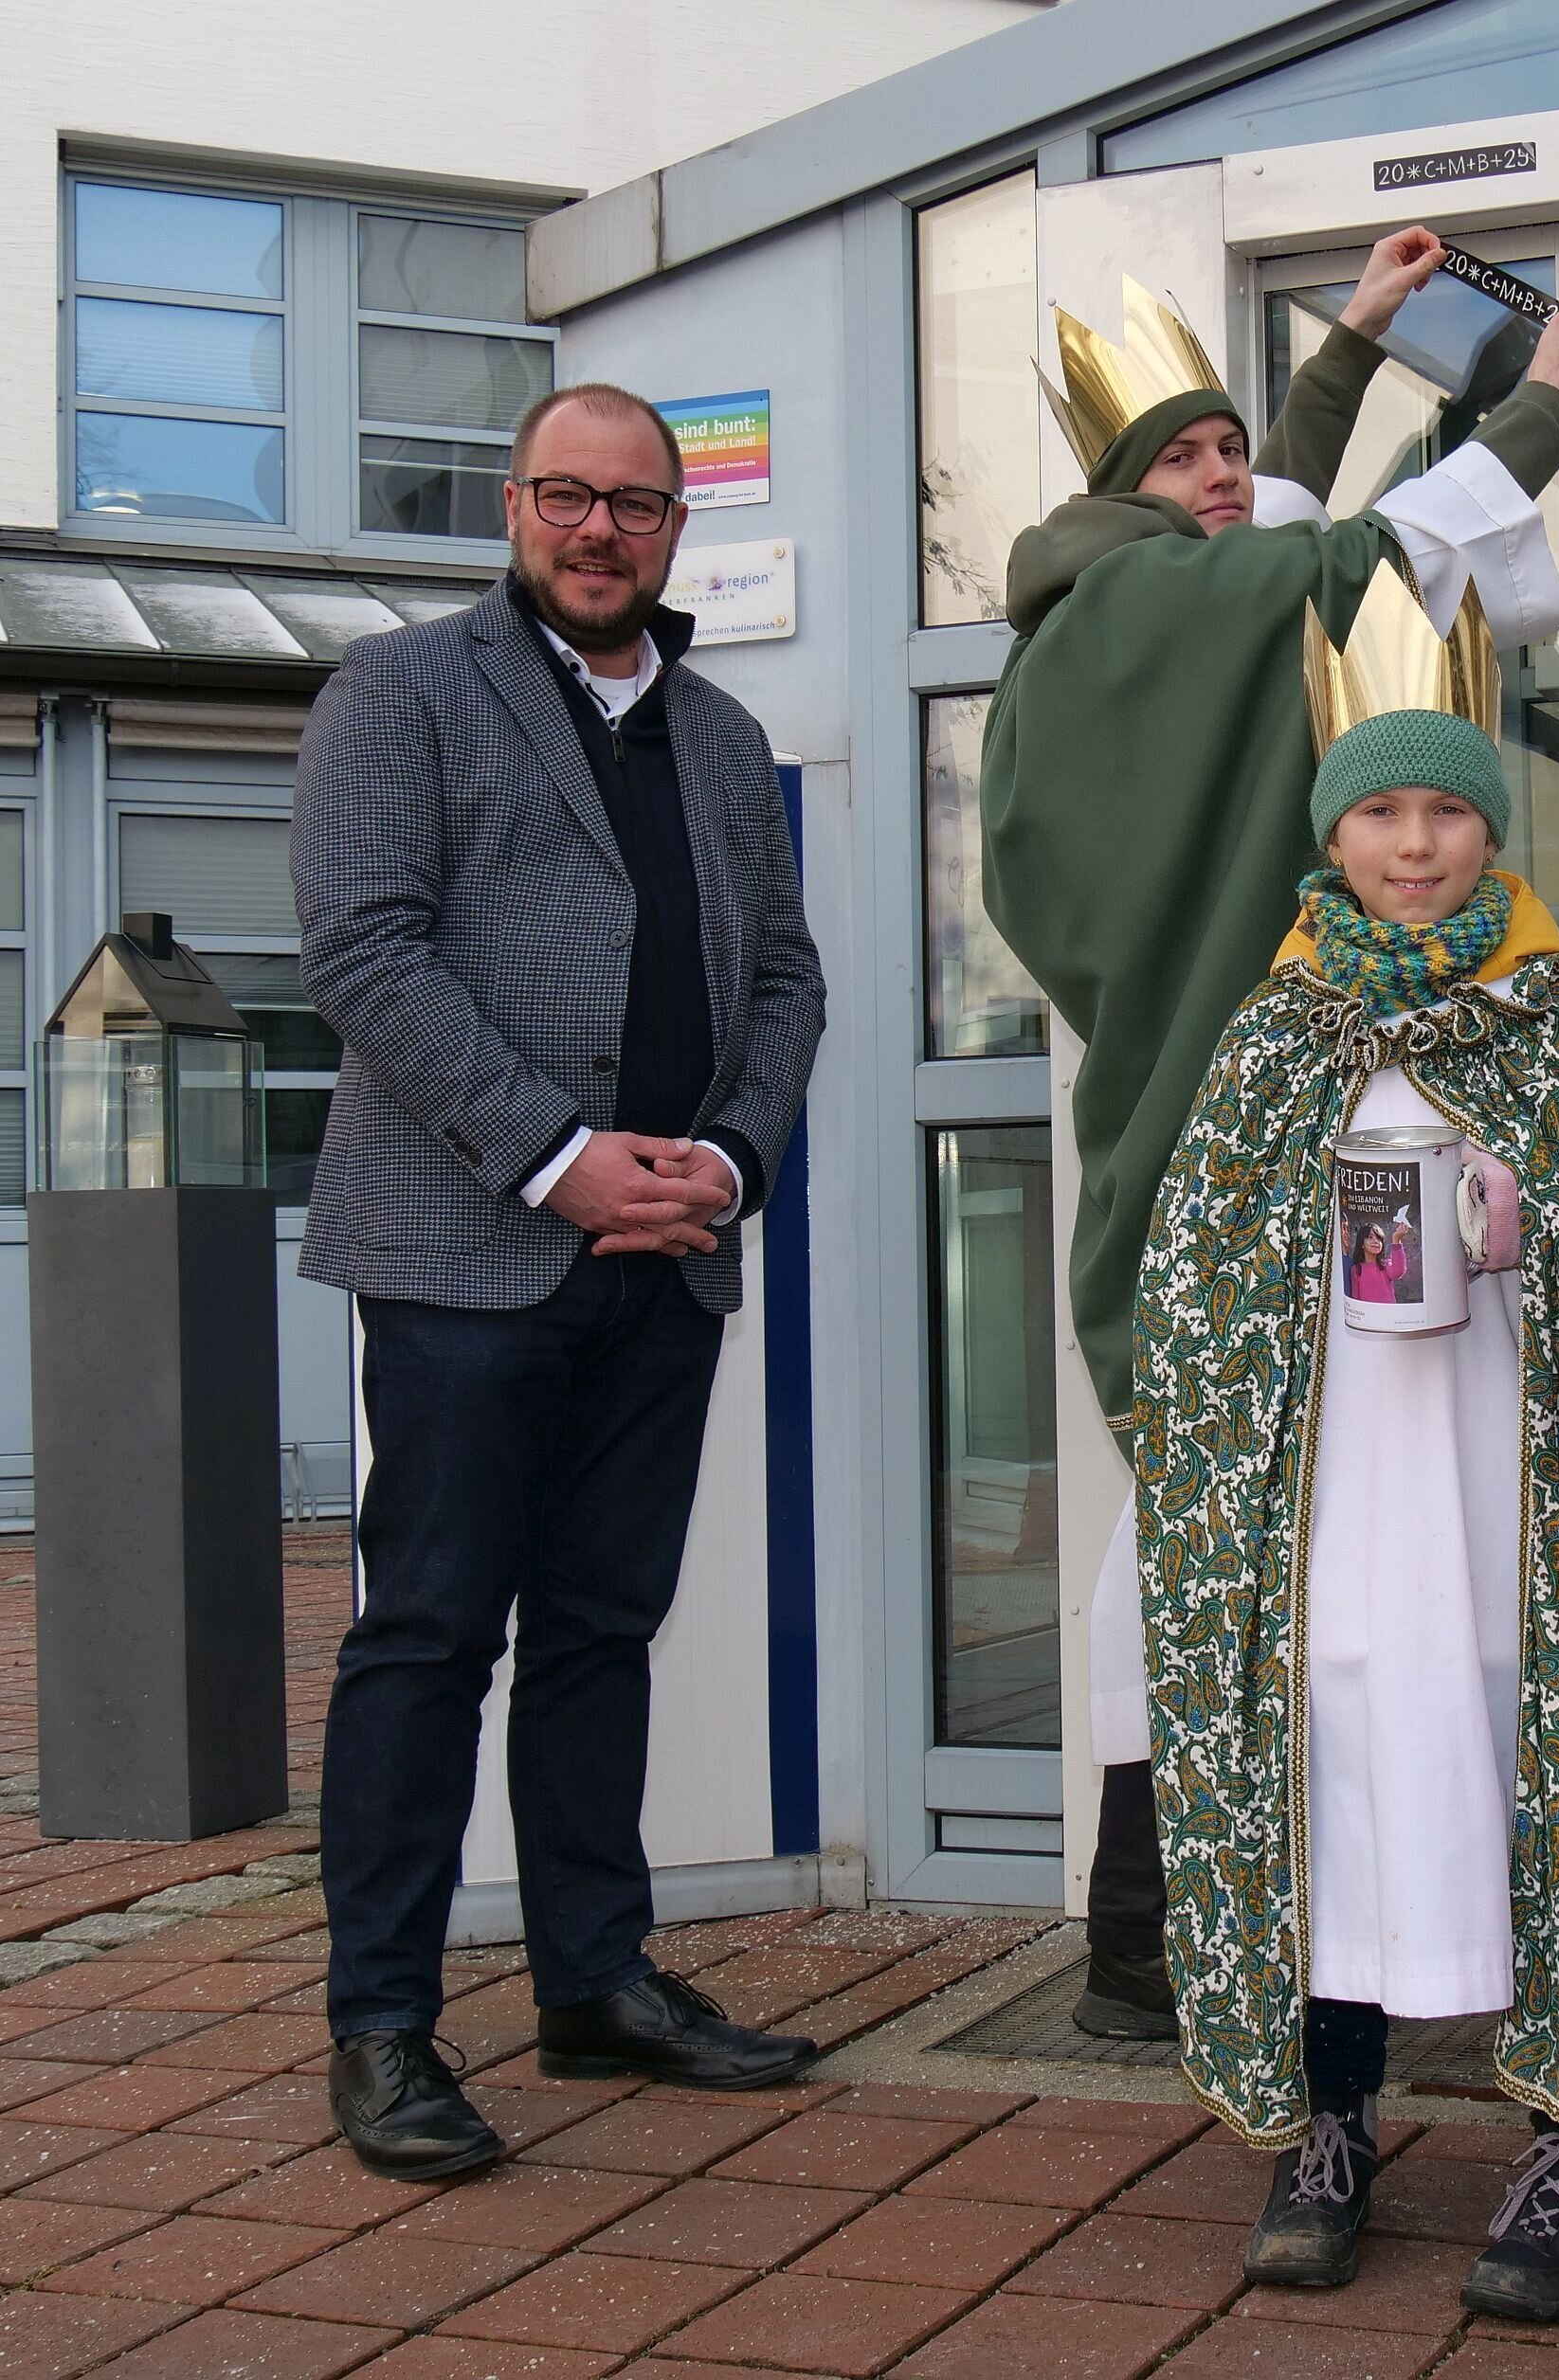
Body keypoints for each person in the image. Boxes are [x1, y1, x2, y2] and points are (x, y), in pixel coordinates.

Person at [983, 225, 1559, 2039]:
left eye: (1230, 448)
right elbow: (1338, 565)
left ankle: (1161, 1941)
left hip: (1185, 1130)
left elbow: (1269, 556)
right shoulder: (1139, 609)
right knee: (1265, 1560)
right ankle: (1197, 1947)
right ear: (1130, 498)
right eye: (1190, 461)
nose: (1226, 477)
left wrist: (1345, 342)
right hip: (1238, 1141)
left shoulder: (1107, 633)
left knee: (1219, 1553)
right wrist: (1545, 407)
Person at [294, 383, 828, 2180]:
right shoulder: (404, 694)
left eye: (637, 505)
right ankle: (382, 2027)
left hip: (667, 1258)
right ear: (516, 506)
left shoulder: (726, 733)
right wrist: (557, 1157)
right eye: (566, 498)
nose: (599, 532)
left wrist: (729, 1164)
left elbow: (789, 990)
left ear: (680, 525)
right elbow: (364, 950)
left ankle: (594, 1983)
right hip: (466, 1252)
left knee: (603, 1634)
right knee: (429, 1638)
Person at [1137, 565, 1559, 2322]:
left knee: (1536, 1750)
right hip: (1330, 1496)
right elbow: (1201, 1273)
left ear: (1492, 828)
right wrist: (1302, 1246)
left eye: (1449, 809)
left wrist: (1549, 1235)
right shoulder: (1278, 1030)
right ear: (1335, 831)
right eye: (1383, 809)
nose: (1419, 844)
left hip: (1503, 1488)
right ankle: (1330, 2119)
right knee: (1332, 1758)